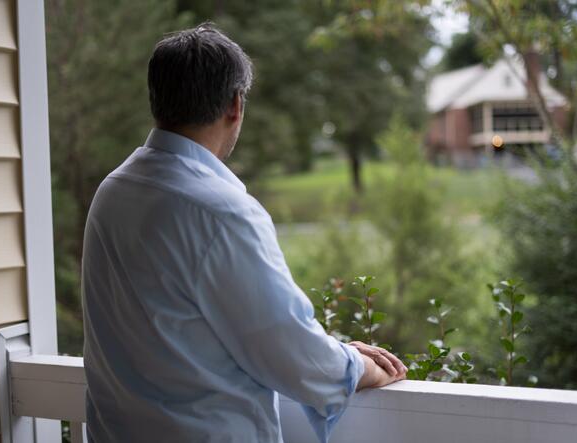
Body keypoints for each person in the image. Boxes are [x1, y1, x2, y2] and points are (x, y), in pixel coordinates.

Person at [81, 23, 407, 443]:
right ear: (235, 105)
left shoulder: (113, 191)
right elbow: (290, 350)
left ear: (156, 101)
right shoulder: (220, 211)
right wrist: (358, 365)